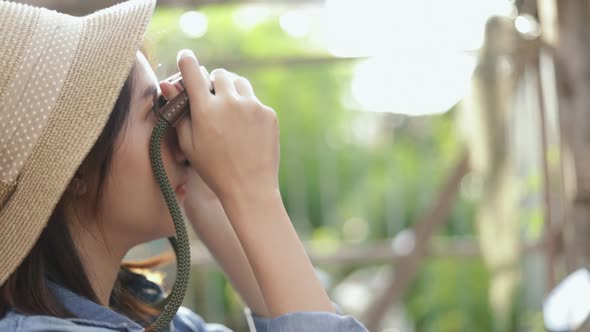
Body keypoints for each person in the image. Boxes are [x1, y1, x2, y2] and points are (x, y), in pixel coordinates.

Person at [0, 0, 369, 331]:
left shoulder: (150, 318)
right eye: (154, 113)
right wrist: (254, 193)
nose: (178, 138)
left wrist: (209, 200)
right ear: (76, 168)